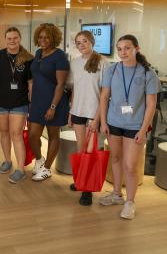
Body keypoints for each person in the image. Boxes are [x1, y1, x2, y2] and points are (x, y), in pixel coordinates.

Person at [99, 34, 160, 220]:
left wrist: (143, 130)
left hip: (135, 126)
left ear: (136, 49)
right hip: (113, 123)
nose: (122, 52)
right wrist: (103, 121)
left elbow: (151, 105)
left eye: (127, 48)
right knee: (116, 159)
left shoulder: (148, 73)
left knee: (130, 165)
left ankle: (130, 201)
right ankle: (117, 194)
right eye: (119, 49)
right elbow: (103, 97)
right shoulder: (111, 70)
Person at [67, 30, 109, 206]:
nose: (81, 45)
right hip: (77, 110)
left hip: (93, 113)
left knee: (90, 151)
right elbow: (75, 88)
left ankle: (88, 191)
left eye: (84, 41)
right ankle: (81, 181)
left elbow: (104, 93)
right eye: (78, 42)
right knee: (80, 148)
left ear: (92, 42)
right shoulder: (75, 63)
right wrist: (71, 111)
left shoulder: (103, 63)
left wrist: (97, 118)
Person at [0, 27, 33, 183]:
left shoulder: (28, 58)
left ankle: (20, 169)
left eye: (15, 38)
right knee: (4, 132)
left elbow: (30, 84)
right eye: (9, 38)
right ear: (5, 40)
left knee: (16, 134)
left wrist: (31, 103)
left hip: (19, 103)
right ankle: (7, 160)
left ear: (20, 38)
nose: (12, 41)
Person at [28, 23, 70, 181]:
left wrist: (52, 107)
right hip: (38, 102)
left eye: (46, 37)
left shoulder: (59, 56)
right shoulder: (38, 53)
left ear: (53, 38)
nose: (43, 39)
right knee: (33, 135)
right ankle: (39, 160)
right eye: (40, 36)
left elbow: (60, 84)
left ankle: (46, 169)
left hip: (55, 102)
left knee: (53, 135)